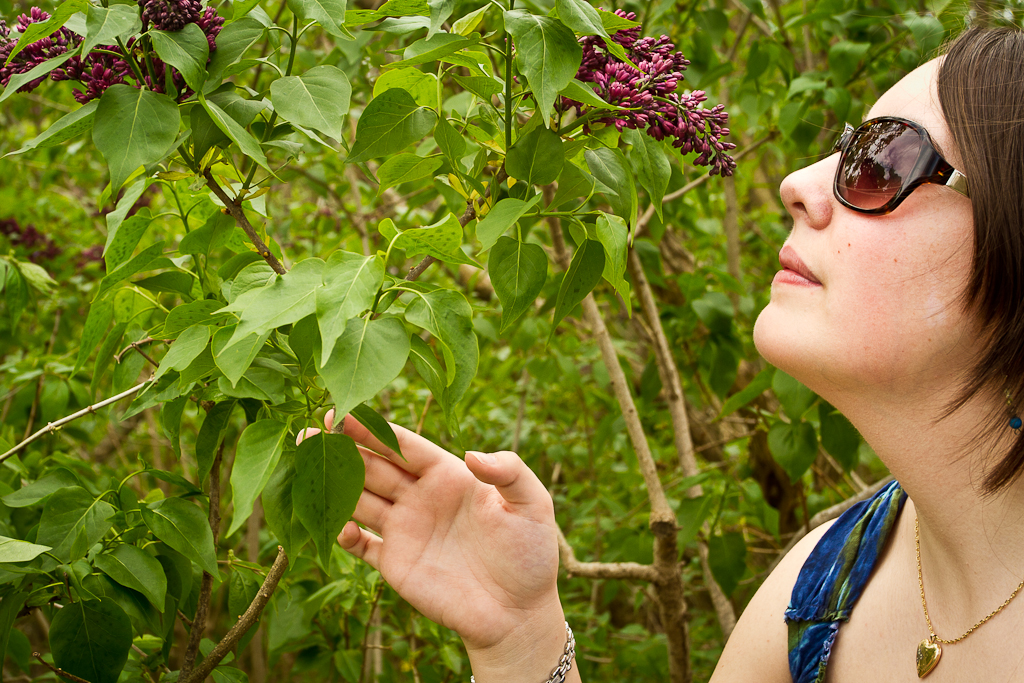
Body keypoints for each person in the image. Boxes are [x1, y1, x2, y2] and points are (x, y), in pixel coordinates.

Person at [299, 24, 1024, 683]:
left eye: (880, 159)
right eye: (839, 145)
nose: (797, 183)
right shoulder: (825, 586)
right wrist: (521, 640)